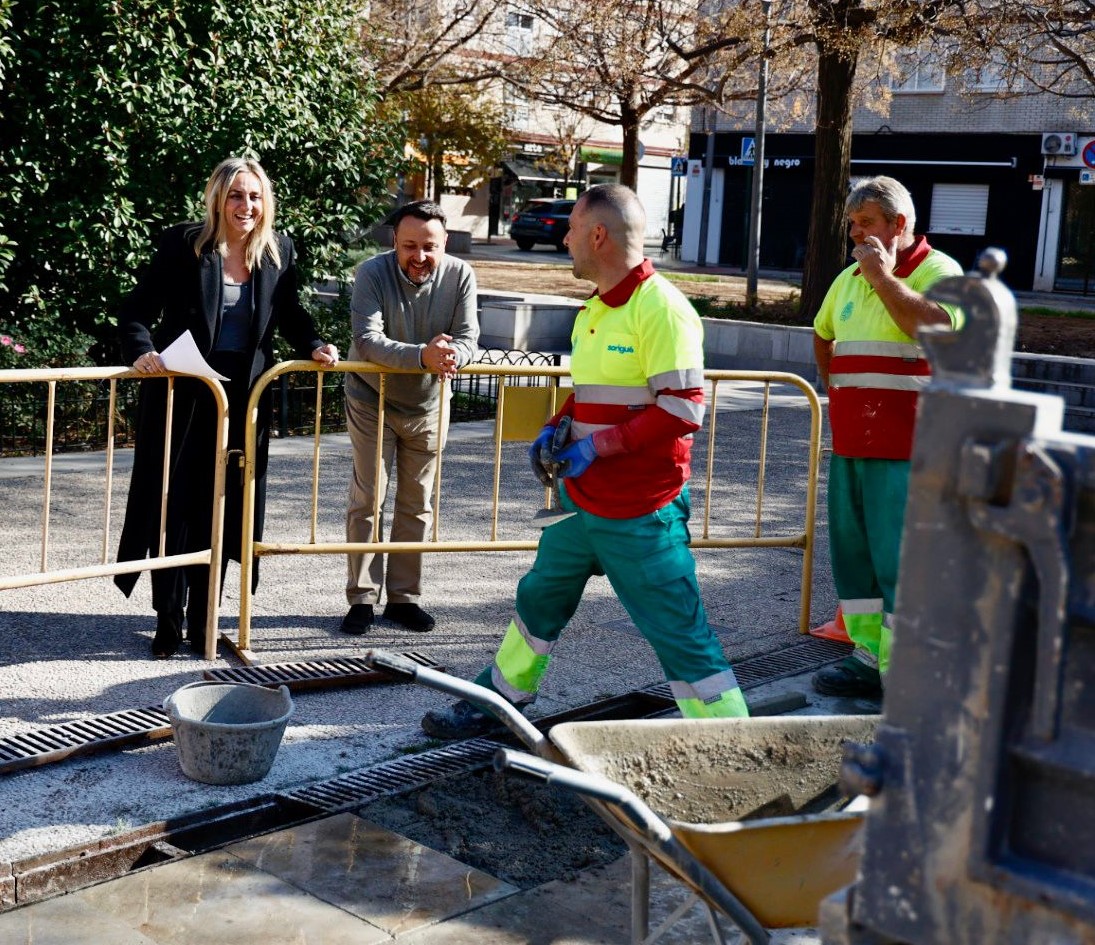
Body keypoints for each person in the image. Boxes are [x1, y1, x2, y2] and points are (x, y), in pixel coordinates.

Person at [421, 183, 749, 740]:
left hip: (641, 510)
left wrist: (597, 446)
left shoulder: (662, 308)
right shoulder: (596, 308)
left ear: (598, 235)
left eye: (572, 228)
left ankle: (733, 741)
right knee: (539, 596)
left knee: (678, 630)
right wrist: (558, 424)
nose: (566, 239)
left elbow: (683, 409)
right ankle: (501, 702)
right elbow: (593, 392)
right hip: (582, 502)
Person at [115, 157, 339, 659]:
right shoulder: (184, 244)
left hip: (244, 400)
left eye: (255, 196)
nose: (246, 205)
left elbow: (291, 314)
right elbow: (136, 310)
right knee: (175, 507)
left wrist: (315, 345)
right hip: (183, 393)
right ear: (218, 198)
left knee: (223, 507)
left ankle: (205, 620)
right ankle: (168, 619)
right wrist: (142, 351)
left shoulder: (278, 251)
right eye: (237, 195)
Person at [810, 175, 962, 697]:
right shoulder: (848, 278)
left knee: (904, 562)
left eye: (866, 222)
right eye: (852, 223)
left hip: (911, 449)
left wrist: (882, 278)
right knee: (856, 560)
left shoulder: (941, 272)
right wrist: (837, 391)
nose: (856, 233)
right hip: (854, 443)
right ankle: (867, 657)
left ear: (899, 224)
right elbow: (823, 333)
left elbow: (936, 328)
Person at [340, 200, 479, 636]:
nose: (419, 256)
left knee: (418, 503)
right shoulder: (371, 273)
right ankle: (362, 599)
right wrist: (423, 356)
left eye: (429, 247)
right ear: (395, 243)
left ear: (445, 243)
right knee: (368, 499)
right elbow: (367, 340)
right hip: (372, 400)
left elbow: (469, 337)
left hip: (430, 403)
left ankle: (404, 598)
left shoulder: (461, 275)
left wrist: (453, 355)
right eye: (409, 246)